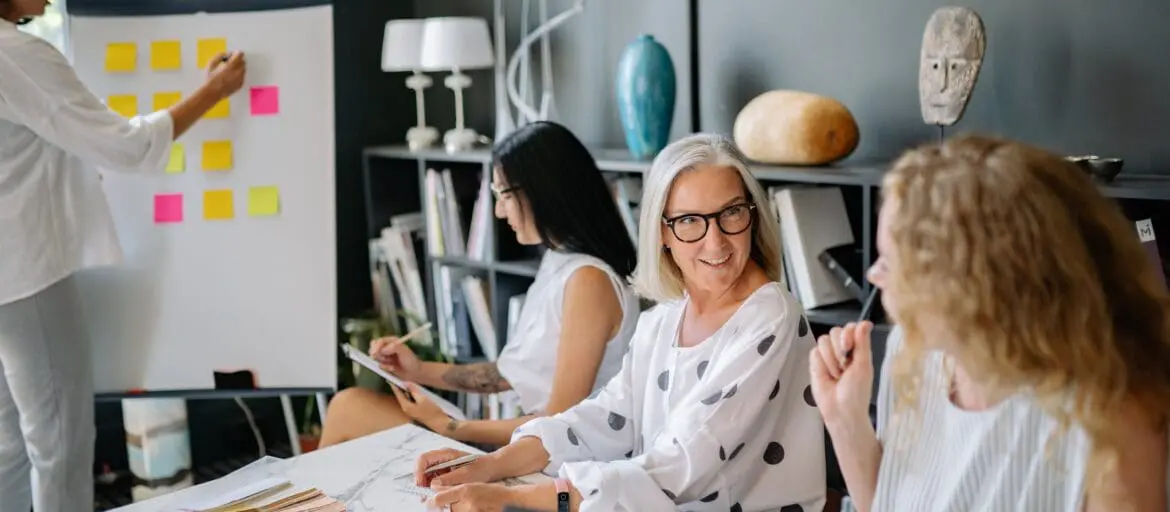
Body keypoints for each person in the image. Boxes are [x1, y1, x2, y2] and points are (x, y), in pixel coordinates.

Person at [413, 134, 826, 512]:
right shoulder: (665, 317)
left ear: (752, 214)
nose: (715, 240)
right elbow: (606, 417)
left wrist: (512, 498)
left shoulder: (770, 315)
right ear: (662, 232)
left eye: (731, 213)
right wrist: (488, 464)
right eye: (689, 221)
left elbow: (681, 464)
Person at [812, 134, 1170, 512]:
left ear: (971, 285)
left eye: (890, 260)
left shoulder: (1112, 420)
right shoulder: (914, 351)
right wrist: (844, 419)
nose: (872, 274)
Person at [0, 2, 246, 510]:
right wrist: (214, 92)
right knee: (60, 444)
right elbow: (127, 146)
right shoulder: (16, 53)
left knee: (10, 448)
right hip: (23, 273)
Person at [319, 121, 640, 448]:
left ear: (541, 192)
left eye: (503, 195)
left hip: (548, 461)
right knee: (349, 407)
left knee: (349, 409)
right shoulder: (560, 260)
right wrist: (416, 370)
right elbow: (505, 375)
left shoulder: (589, 282)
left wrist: (453, 428)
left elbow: (558, 423)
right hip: (529, 444)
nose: (500, 211)